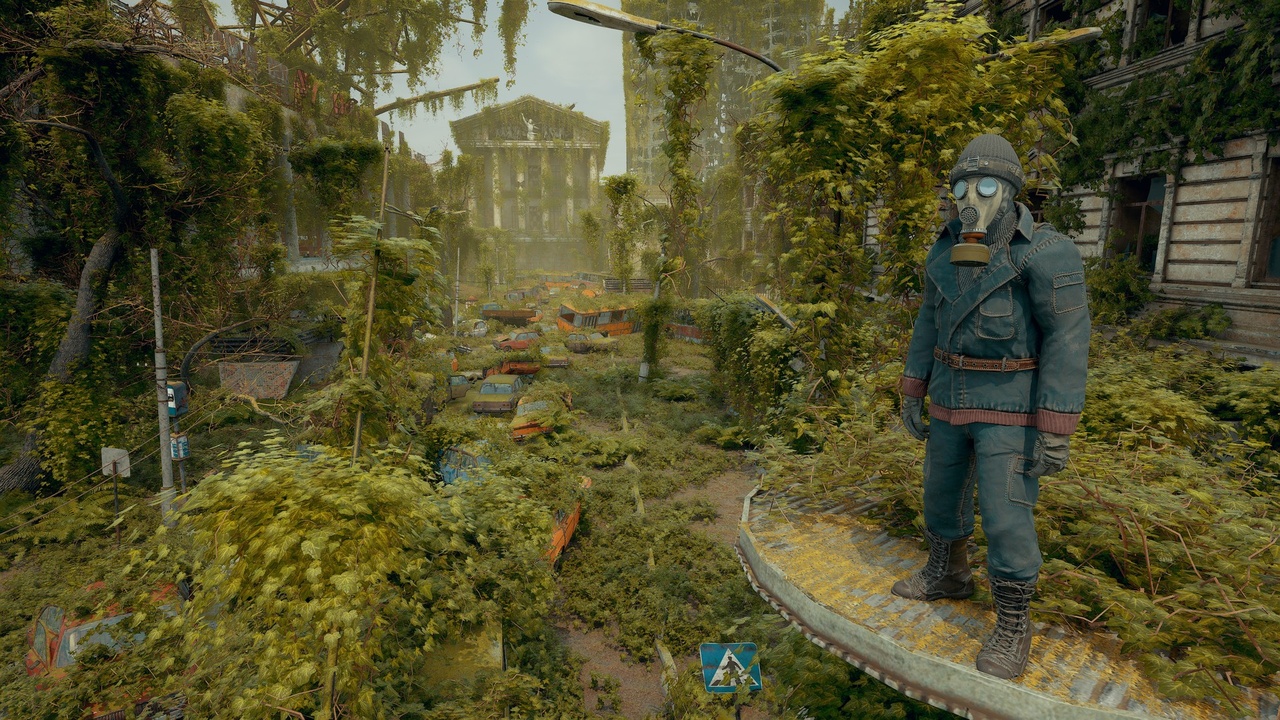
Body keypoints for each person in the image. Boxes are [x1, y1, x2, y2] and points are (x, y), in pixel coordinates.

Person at [894, 133, 1090, 680]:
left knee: (1006, 517)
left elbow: (1069, 340)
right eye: (961, 188)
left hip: (1010, 407)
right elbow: (928, 321)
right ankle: (947, 574)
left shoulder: (1047, 252)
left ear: (1009, 192)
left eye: (983, 187)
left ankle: (1012, 621)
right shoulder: (945, 248)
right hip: (949, 398)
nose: (969, 200)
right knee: (940, 494)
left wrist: (1056, 425)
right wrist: (913, 387)